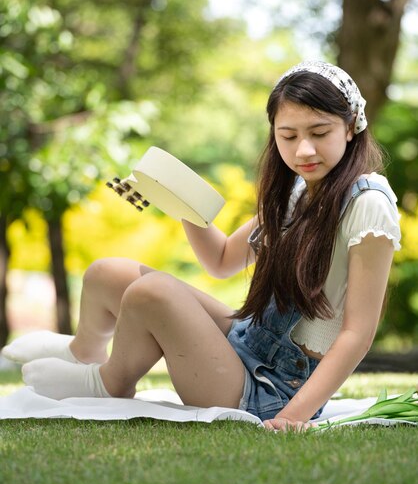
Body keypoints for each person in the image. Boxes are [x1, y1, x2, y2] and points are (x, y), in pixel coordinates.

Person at [3, 61, 401, 432]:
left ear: (351, 127)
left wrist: (291, 417)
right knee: (108, 273)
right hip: (247, 340)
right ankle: (82, 353)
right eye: (288, 136)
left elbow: (357, 334)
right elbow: (222, 260)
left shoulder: (368, 205)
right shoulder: (298, 190)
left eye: (319, 133)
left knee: (151, 292)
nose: (303, 151)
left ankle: (109, 383)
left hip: (273, 389)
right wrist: (177, 199)